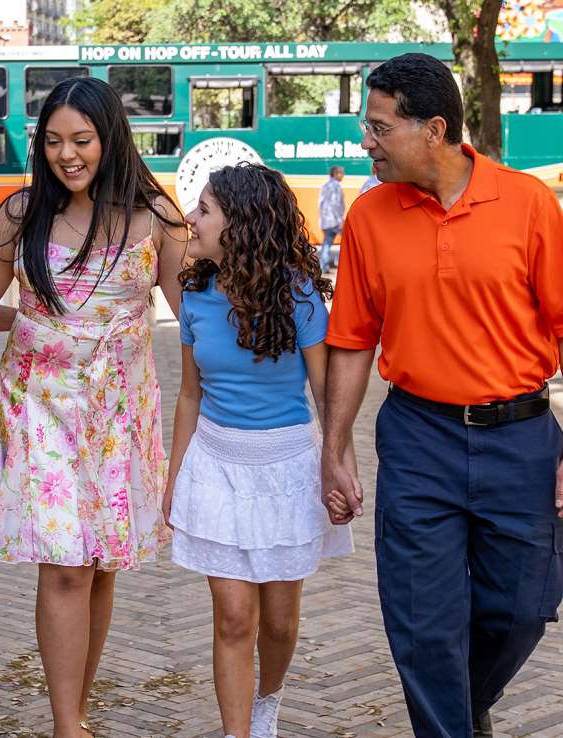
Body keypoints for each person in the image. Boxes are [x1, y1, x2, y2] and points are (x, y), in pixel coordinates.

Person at [321, 53, 563, 738]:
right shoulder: (370, 217)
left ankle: (458, 706)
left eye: (378, 127)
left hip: (520, 436)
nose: (366, 142)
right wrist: (333, 449)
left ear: (433, 129)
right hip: (417, 436)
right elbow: (352, 340)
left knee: (524, 606)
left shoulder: (529, 205)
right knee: (422, 625)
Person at [0, 76, 187, 738]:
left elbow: (194, 319)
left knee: (99, 568)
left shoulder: (157, 216)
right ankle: (68, 723)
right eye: (53, 141)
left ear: (109, 139)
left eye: (82, 140)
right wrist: (42, 326)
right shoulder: (19, 215)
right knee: (66, 565)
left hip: (121, 415)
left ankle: (78, 705)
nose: (67, 154)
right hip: (41, 409)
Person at [164, 163, 354, 738]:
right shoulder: (194, 297)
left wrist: (338, 466)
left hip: (286, 466)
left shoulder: (298, 296)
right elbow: (190, 396)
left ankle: (267, 697)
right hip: (215, 466)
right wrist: (173, 481)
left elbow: (325, 394)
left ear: (241, 223)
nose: (191, 220)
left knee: (278, 622)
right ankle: (238, 732)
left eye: (204, 210)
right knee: (234, 616)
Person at [317, 165, 344, 272]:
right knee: (349, 240)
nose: (343, 176)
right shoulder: (336, 186)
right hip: (334, 220)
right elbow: (336, 204)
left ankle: (323, 266)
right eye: (341, 173)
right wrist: (340, 219)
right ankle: (342, 263)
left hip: (325, 220)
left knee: (327, 243)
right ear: (335, 174)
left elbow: (320, 203)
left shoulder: (325, 185)